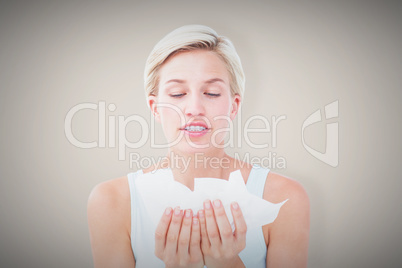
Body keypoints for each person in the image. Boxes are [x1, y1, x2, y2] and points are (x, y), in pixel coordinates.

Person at [87, 25, 310, 268]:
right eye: (177, 93)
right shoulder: (111, 202)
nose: (194, 108)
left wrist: (229, 265)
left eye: (212, 93)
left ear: (234, 106)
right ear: (155, 108)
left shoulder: (284, 198)